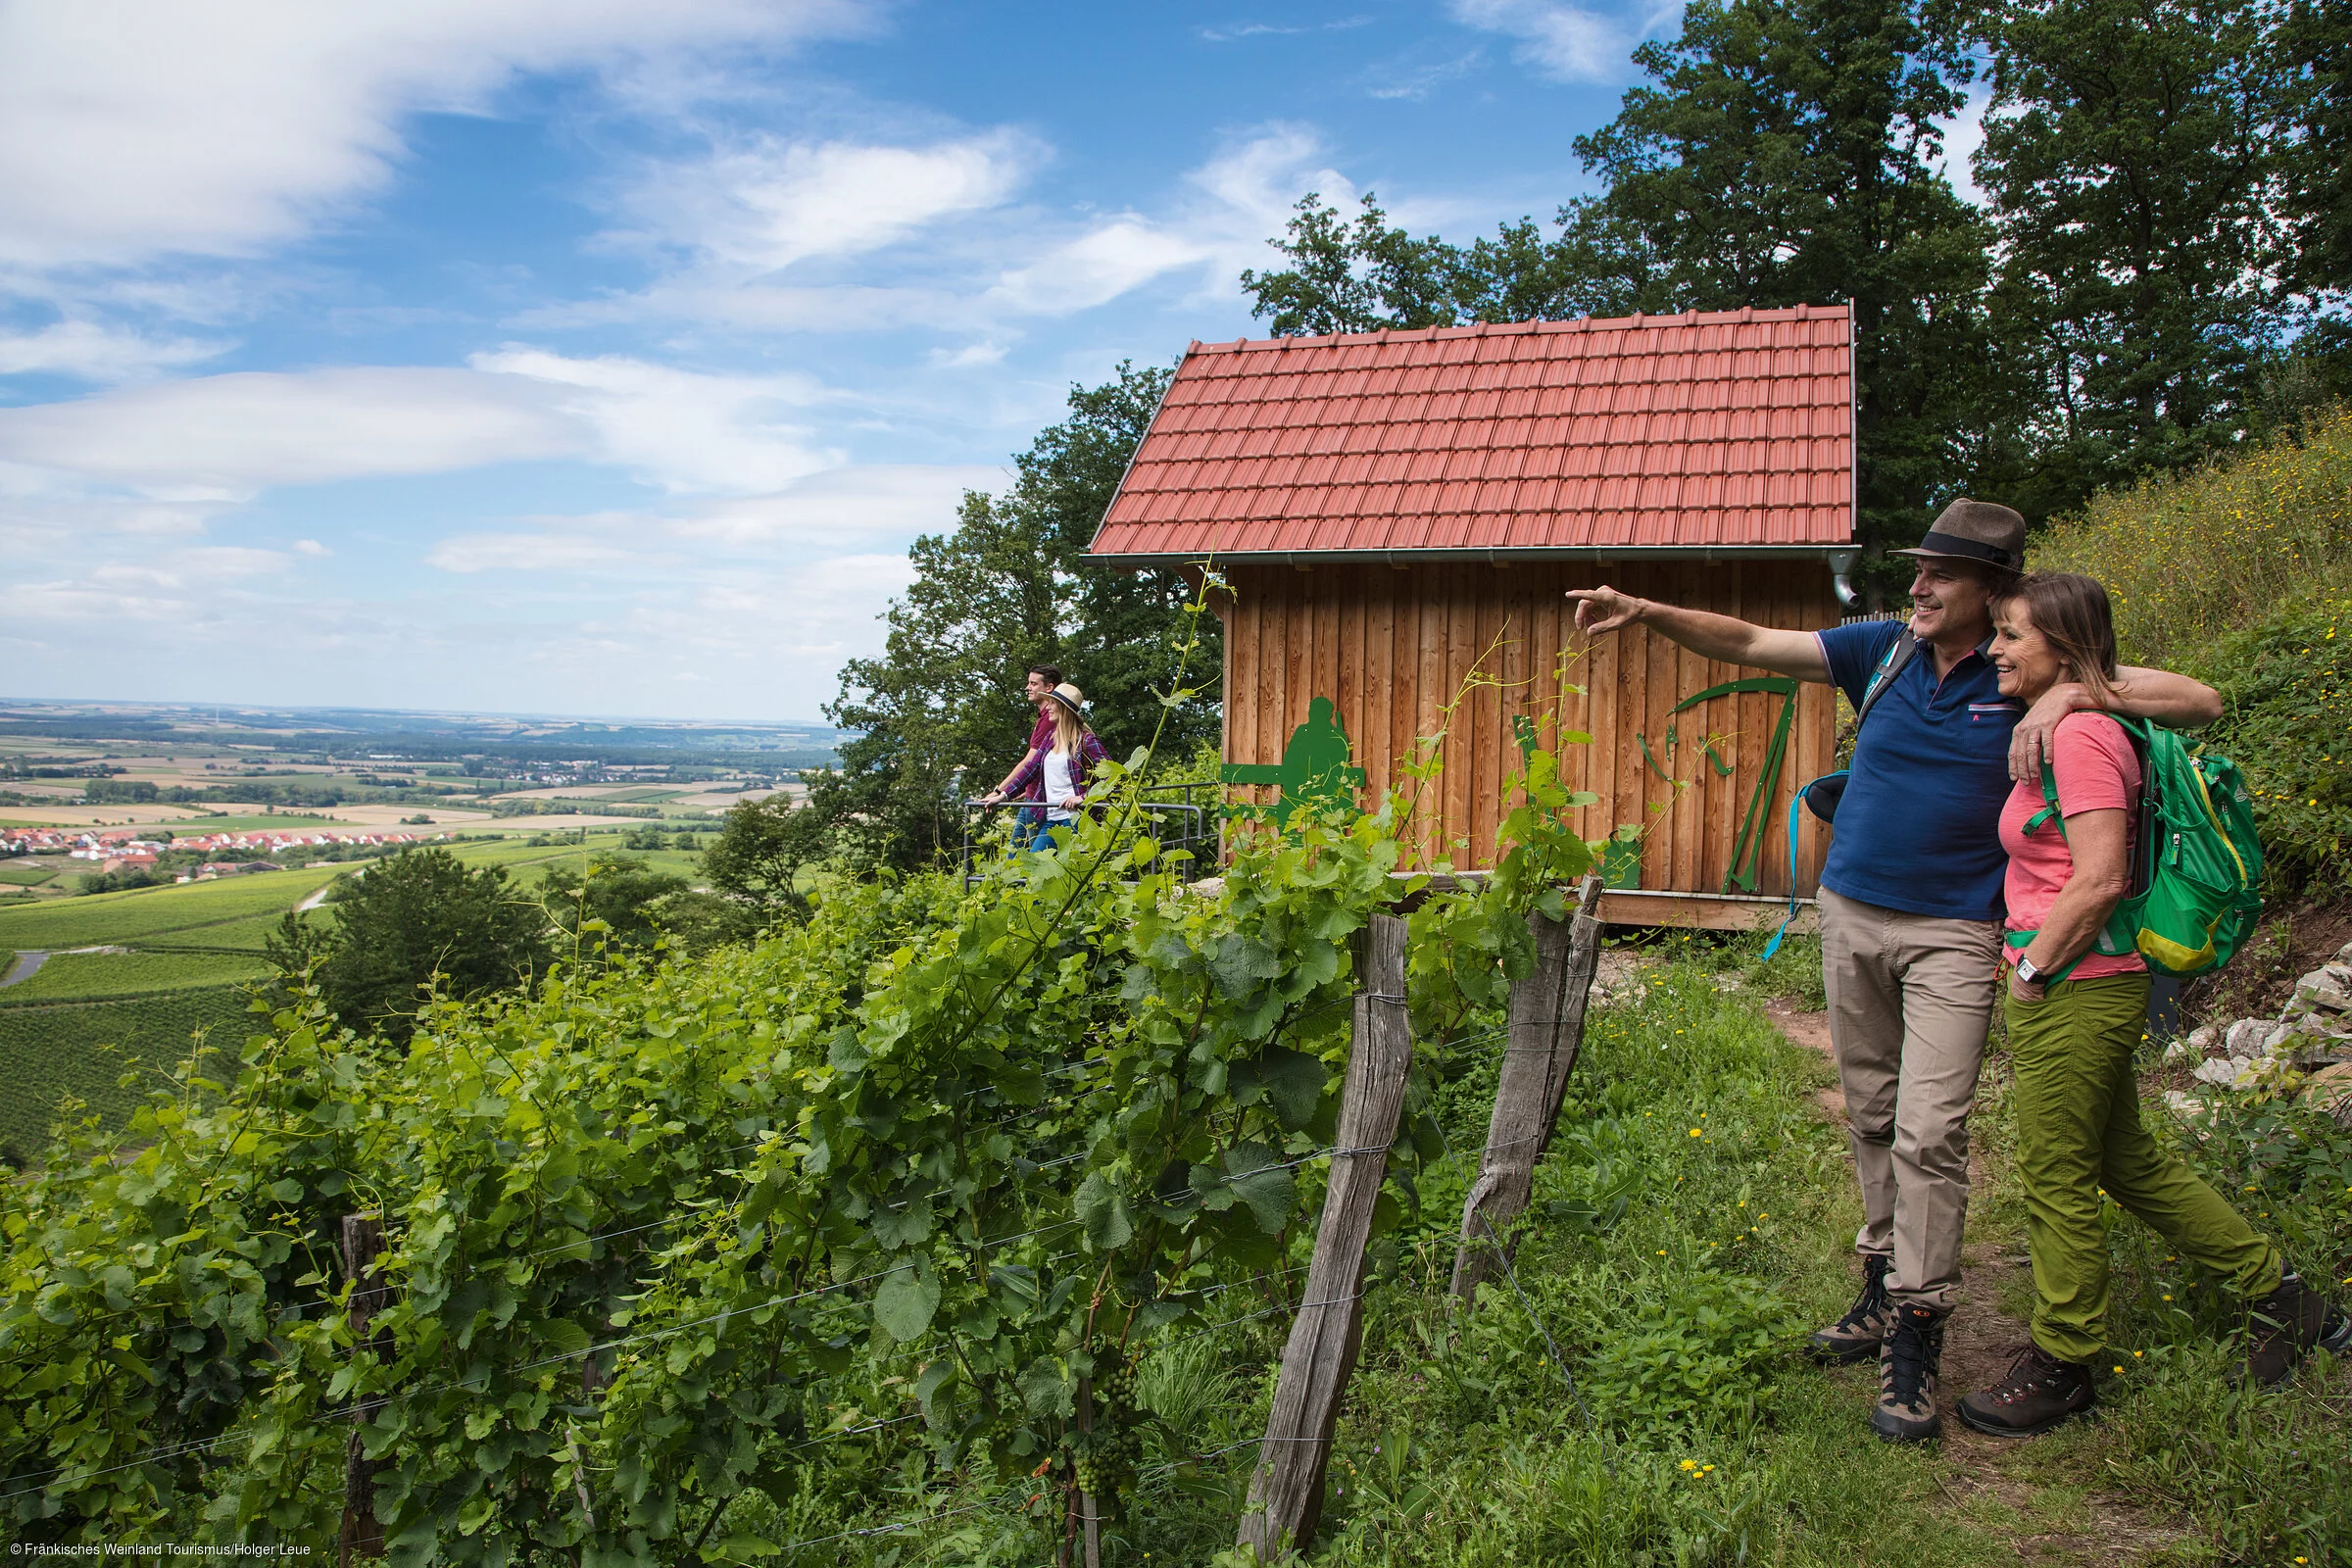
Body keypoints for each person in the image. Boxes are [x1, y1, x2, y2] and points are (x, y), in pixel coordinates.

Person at [1565, 499, 2224, 1443]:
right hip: (1849, 913)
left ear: (1992, 592)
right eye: (1919, 569)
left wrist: (2077, 691)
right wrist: (1648, 610)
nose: (1917, 586)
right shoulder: (1885, 649)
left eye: (1940, 575)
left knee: (1930, 1131)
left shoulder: (2025, 669)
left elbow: (2200, 700)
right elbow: (1752, 640)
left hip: (1956, 932)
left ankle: (1917, 1327)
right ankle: (1879, 1283)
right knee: (1871, 1110)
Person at [1952, 572, 2348, 1436]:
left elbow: (2095, 880)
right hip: (2081, 977)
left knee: (2056, 1176)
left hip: (2078, 983)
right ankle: (2288, 1300)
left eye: (2013, 635)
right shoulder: (2081, 717)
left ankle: (2064, 1363)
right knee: (2129, 1164)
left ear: (2060, 646)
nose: (1994, 650)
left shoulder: (2084, 735)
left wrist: (2032, 970)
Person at [998, 683, 1109, 850]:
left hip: (1076, 819)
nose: (1047, 707)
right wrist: (1003, 795)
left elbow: (1114, 777)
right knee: (1035, 869)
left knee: (1070, 872)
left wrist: (1084, 798)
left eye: (1052, 703)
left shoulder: (1086, 741)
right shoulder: (1050, 737)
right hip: (1051, 820)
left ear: (1063, 708)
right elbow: (1031, 769)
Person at [981, 663, 1065, 839]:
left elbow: (1030, 761)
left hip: (1039, 800)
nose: (1028, 688)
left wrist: (1000, 792)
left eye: (1034, 684)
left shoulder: (1049, 721)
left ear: (1049, 687)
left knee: (1034, 856)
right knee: (1015, 853)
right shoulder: (1043, 718)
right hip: (1031, 794)